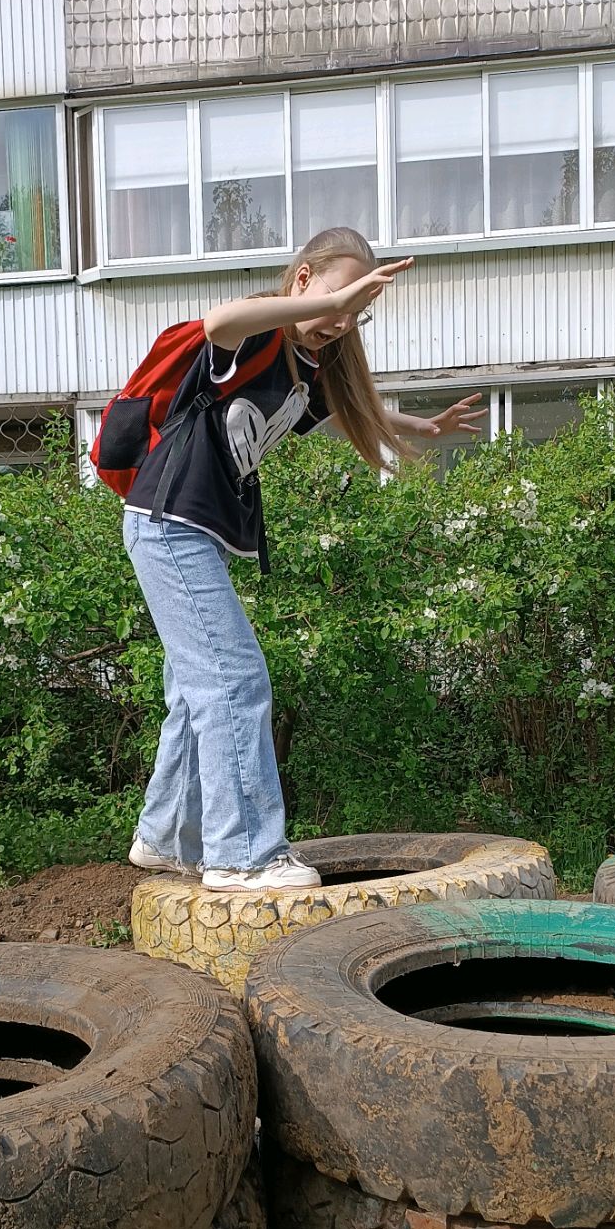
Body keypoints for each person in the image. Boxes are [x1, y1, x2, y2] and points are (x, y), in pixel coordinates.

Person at [123, 225, 486, 893]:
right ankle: (243, 856)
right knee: (234, 680)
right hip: (167, 521)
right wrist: (329, 302)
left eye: (354, 314)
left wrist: (423, 426)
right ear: (302, 279)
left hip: (193, 532)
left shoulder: (305, 368)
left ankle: (166, 836)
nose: (340, 322)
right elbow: (219, 321)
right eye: (336, 300)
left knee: (195, 687)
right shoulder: (257, 336)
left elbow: (348, 412)